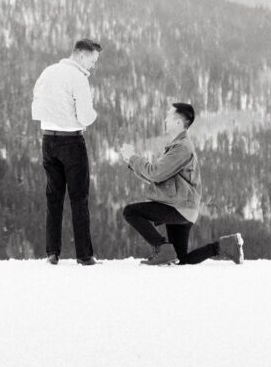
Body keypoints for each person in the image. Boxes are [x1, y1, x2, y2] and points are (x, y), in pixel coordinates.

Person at [119, 102, 243, 265]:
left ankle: (162, 248)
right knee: (181, 258)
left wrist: (134, 157)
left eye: (168, 116)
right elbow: (157, 177)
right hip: (183, 207)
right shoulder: (178, 146)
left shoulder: (181, 148)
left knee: (130, 212)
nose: (164, 119)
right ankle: (226, 246)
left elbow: (155, 173)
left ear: (178, 122)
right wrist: (131, 161)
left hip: (177, 206)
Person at [32, 39, 102, 265]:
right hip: (71, 142)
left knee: (54, 198)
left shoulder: (47, 72)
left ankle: (52, 252)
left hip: (47, 140)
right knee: (78, 199)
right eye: (92, 60)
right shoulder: (78, 79)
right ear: (81, 56)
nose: (93, 65)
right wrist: (94, 115)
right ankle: (84, 255)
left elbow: (36, 104)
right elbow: (85, 117)